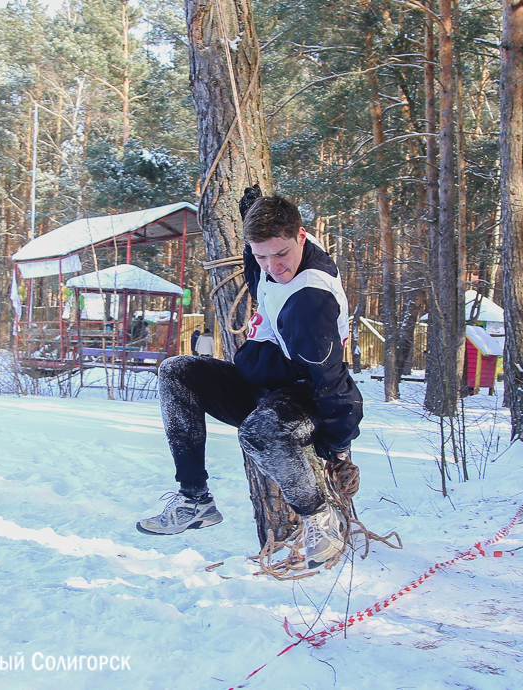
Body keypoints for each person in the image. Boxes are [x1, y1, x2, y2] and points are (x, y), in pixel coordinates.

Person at [137, 190, 362, 571]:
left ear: (302, 237)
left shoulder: (310, 303)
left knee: (258, 433)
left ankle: (320, 519)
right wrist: (252, 211)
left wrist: (339, 449)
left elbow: (332, 380)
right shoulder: (276, 249)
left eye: (280, 254)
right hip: (264, 381)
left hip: (302, 397)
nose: (273, 266)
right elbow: (263, 255)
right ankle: (195, 499)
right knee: (177, 372)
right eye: (261, 256)